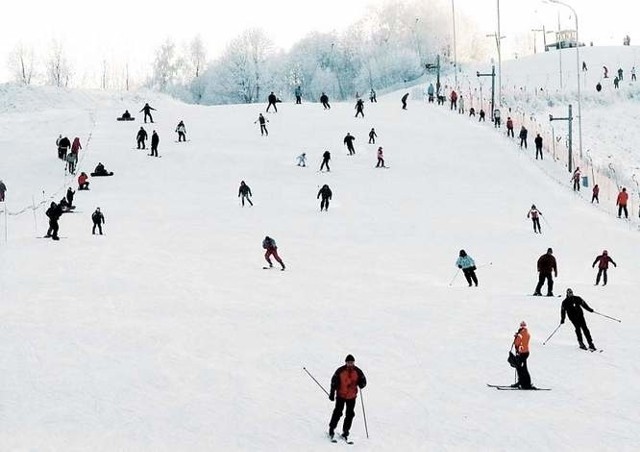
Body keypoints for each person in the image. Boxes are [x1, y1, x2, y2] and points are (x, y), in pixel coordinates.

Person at [328, 354, 367, 442]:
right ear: (346, 362)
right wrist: (331, 393)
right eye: (348, 362)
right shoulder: (340, 371)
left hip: (352, 397)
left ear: (354, 362)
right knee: (338, 412)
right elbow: (333, 382)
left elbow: (364, 381)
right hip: (341, 395)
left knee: (350, 414)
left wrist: (362, 384)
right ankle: (331, 429)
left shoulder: (358, 371)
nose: (350, 364)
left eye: (352, 362)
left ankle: (345, 431)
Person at [511, 321, 533, 389]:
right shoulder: (527, 333)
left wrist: (517, 337)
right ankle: (523, 382)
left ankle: (524, 383)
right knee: (522, 368)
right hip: (525, 352)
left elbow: (517, 343)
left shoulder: (521, 333)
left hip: (522, 353)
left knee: (521, 368)